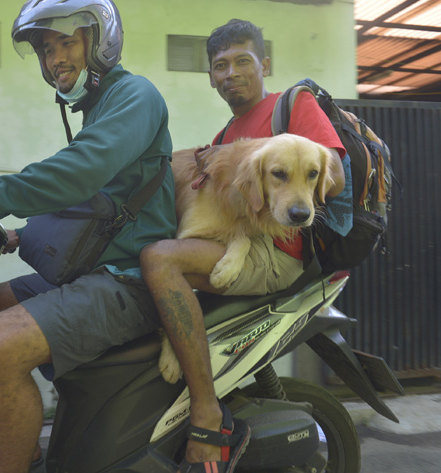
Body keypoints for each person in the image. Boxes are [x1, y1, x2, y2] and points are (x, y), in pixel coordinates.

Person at [0, 1, 176, 472]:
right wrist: (16, 234)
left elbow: (80, 173)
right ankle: (31, 445)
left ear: (100, 43)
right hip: (93, 270)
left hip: (127, 280)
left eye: (67, 42)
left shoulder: (135, 96)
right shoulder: (98, 109)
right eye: (46, 48)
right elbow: (89, 201)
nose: (55, 57)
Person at [140, 19, 347, 473]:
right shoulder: (227, 135)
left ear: (264, 64)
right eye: (220, 66)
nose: (231, 73)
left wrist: (250, 234)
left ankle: (205, 413)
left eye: (242, 61)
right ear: (212, 76)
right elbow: (232, 211)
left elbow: (332, 169)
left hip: (281, 255)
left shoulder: (293, 106)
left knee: (161, 261)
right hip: (246, 245)